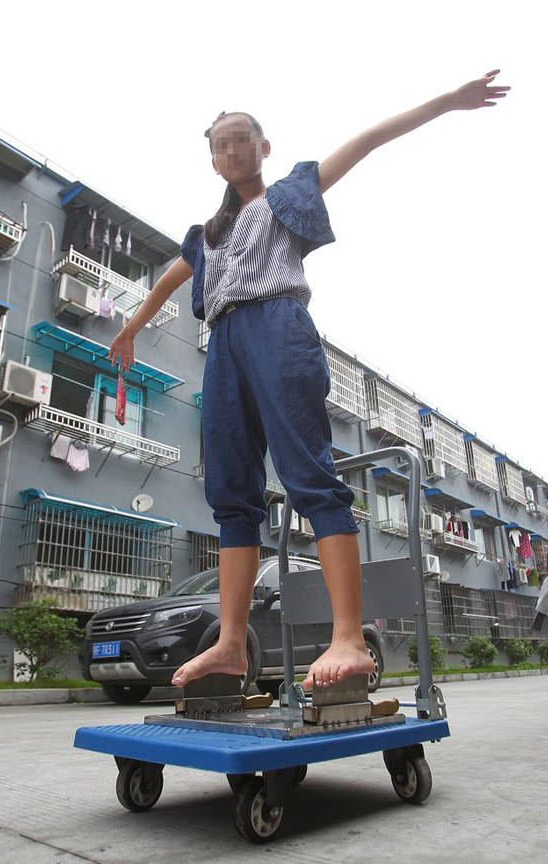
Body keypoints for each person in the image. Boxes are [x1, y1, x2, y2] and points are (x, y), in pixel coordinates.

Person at [107, 70, 510, 691]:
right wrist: (132, 328)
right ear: (212, 160)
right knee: (231, 494)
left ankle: (349, 637)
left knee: (308, 474)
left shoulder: (288, 193)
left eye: (242, 139)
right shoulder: (207, 233)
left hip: (278, 326)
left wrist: (448, 101)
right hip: (224, 346)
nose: (232, 150)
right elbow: (169, 279)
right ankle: (231, 646)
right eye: (221, 144)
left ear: (264, 147)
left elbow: (368, 140)